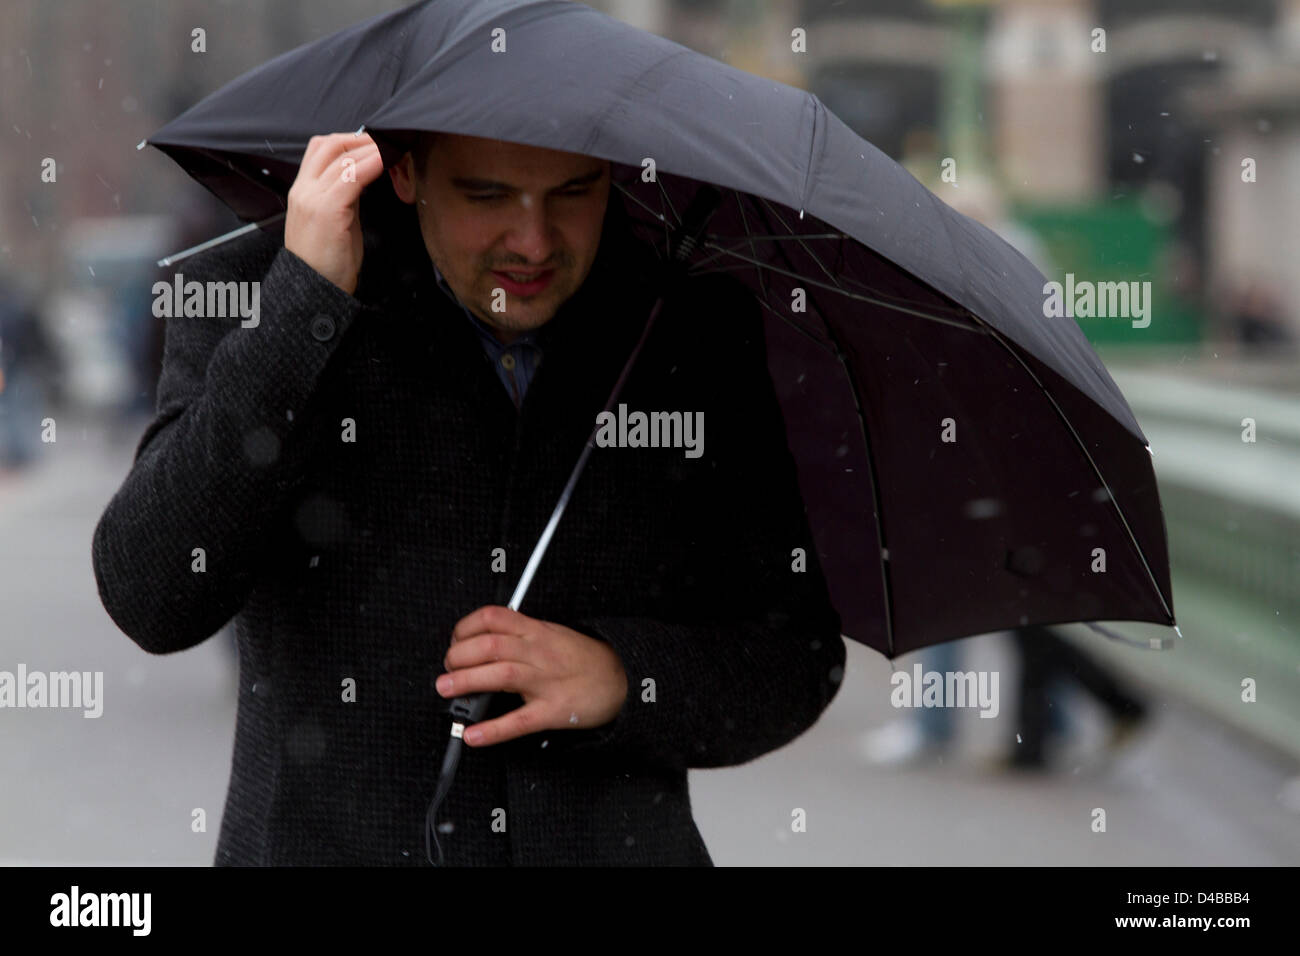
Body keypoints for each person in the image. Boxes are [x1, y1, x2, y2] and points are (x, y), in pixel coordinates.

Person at [91, 130, 846, 866]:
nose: (533, 241)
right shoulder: (264, 290)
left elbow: (795, 653)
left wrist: (627, 678)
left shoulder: (683, 328)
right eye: (487, 195)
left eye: (573, 193)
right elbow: (150, 593)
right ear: (406, 172)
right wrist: (302, 313)